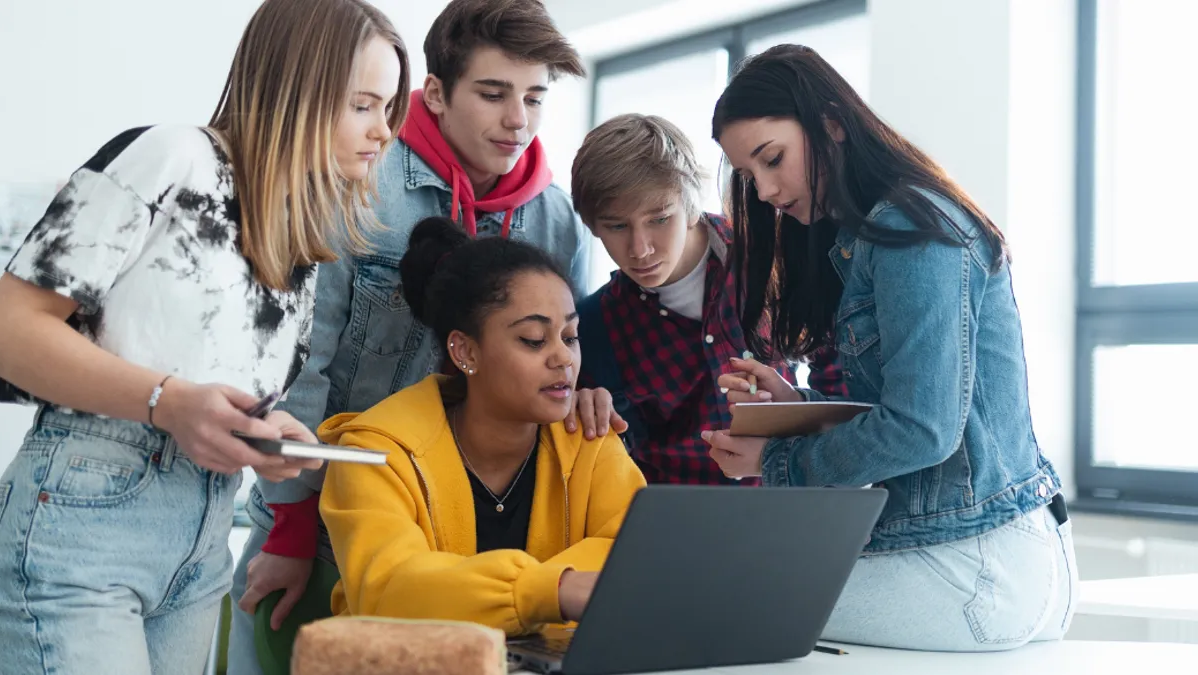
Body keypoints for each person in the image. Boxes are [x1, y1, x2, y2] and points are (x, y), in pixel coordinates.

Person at [0, 0, 410, 672]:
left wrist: (262, 437)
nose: (384, 132)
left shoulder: (296, 239)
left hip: (204, 537)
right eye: (364, 105)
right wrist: (170, 402)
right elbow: (9, 327)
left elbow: (204, 388)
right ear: (294, 90)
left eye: (390, 109)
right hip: (85, 518)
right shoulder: (173, 155)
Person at [228, 1, 621, 670]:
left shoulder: (556, 220)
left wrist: (589, 394)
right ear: (435, 94)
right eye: (493, 94)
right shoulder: (357, 183)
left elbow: (569, 361)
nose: (516, 119)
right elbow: (303, 368)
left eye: (534, 97)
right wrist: (293, 525)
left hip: (463, 549)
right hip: (322, 514)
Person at [703, 44, 1077, 651]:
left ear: (830, 124)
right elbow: (920, 406)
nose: (767, 190)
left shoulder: (907, 226)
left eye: (773, 159)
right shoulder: (881, 228)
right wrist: (797, 410)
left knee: (715, 597)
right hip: (1001, 554)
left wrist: (775, 464)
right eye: (750, 175)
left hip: (979, 565)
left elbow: (924, 429)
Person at [318, 216, 645, 635]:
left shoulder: (589, 436)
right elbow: (390, 591)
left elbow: (635, 555)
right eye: (533, 339)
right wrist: (549, 591)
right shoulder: (373, 452)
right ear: (465, 350)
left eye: (570, 335)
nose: (563, 358)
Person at [570, 113, 846, 486]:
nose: (640, 248)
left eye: (659, 219)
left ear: (689, 204)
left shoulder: (773, 257)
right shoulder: (592, 326)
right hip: (668, 525)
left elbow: (840, 379)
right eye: (617, 226)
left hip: (785, 504)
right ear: (592, 225)